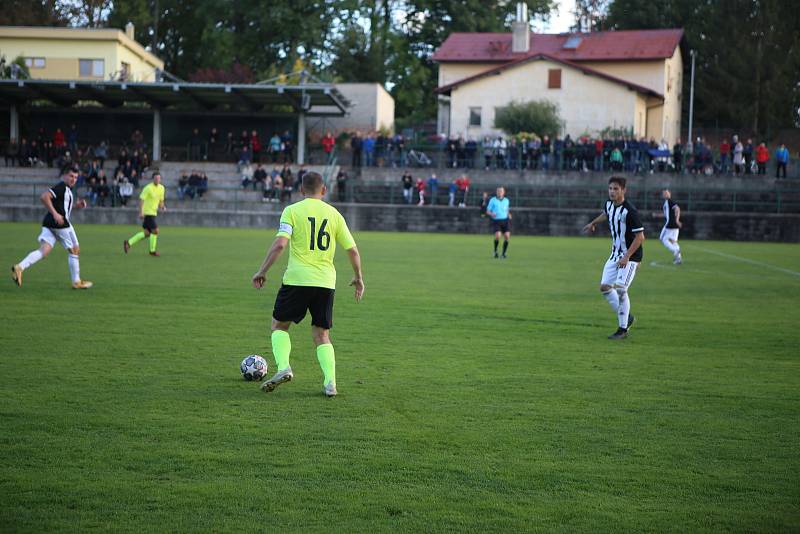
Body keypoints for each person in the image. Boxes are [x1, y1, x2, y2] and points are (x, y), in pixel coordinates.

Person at [251, 171, 364, 398]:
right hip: (325, 282)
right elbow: (352, 249)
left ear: (301, 190)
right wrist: (358, 276)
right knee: (322, 334)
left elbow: (280, 245)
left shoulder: (292, 211)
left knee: (279, 325)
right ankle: (330, 383)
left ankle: (284, 366)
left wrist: (262, 270)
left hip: (297, 279)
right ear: (324, 190)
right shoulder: (334, 214)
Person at [582, 176, 645, 340]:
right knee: (604, 287)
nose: (612, 191)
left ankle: (623, 328)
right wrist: (592, 223)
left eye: (616, 189)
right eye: (610, 188)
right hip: (615, 254)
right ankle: (627, 316)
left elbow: (640, 237)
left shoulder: (630, 211)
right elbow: (606, 214)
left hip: (630, 256)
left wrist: (627, 257)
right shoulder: (609, 204)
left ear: (624, 190)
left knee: (621, 289)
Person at [11, 166, 93, 289]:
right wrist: (55, 214)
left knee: (44, 251)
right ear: (65, 175)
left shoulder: (67, 190)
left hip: (50, 223)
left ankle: (19, 267)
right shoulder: (61, 187)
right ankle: (76, 282)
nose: (73, 179)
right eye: (71, 176)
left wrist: (77, 205)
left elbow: (64, 209)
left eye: (76, 177)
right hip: (59, 225)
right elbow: (44, 197)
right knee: (74, 250)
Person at [123, 172, 166, 257]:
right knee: (156, 230)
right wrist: (141, 212)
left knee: (146, 233)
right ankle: (152, 251)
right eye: (156, 178)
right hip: (148, 213)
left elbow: (161, 201)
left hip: (154, 213)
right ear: (153, 179)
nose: (157, 180)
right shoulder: (148, 188)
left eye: (159, 178)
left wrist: (163, 207)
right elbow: (142, 200)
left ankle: (128, 242)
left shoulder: (162, 188)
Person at [658, 189, 682, 264]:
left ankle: (676, 250)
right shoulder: (666, 203)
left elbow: (677, 208)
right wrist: (657, 215)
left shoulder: (669, 201)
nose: (665, 194)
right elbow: (666, 214)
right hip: (674, 225)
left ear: (670, 194)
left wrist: (677, 220)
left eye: (667, 193)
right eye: (664, 193)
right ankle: (678, 259)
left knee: (662, 239)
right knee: (673, 241)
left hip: (670, 224)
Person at [486, 186, 511, 259]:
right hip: (497, 220)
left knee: (507, 236)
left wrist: (509, 214)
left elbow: (507, 209)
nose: (499, 192)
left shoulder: (506, 200)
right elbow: (488, 211)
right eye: (498, 191)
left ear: (504, 192)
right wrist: (491, 214)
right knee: (498, 236)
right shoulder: (492, 200)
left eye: (501, 191)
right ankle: (495, 251)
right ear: (496, 192)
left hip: (505, 220)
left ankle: (503, 253)